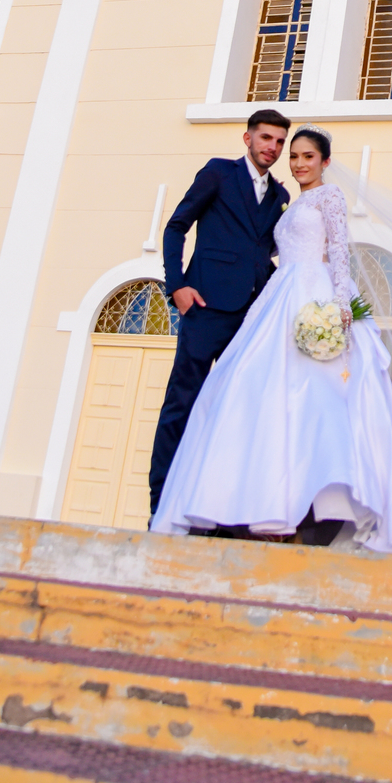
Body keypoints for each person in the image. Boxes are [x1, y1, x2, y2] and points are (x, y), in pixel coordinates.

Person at [152, 125, 392, 553]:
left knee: (309, 398)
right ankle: (247, 499)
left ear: (325, 162)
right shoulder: (285, 199)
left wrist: (340, 306)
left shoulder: (329, 197)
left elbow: (339, 251)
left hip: (313, 293)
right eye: (293, 155)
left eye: (307, 156)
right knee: (250, 392)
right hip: (277, 295)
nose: (298, 163)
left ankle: (299, 506)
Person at [149, 108, 291, 519]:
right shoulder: (218, 173)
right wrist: (177, 285)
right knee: (183, 401)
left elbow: (263, 253)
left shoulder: (280, 197)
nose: (272, 147)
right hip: (205, 306)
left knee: (234, 409)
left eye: (280, 142)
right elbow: (177, 226)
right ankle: (161, 504)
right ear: (248, 138)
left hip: (251, 316)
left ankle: (213, 506)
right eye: (266, 138)